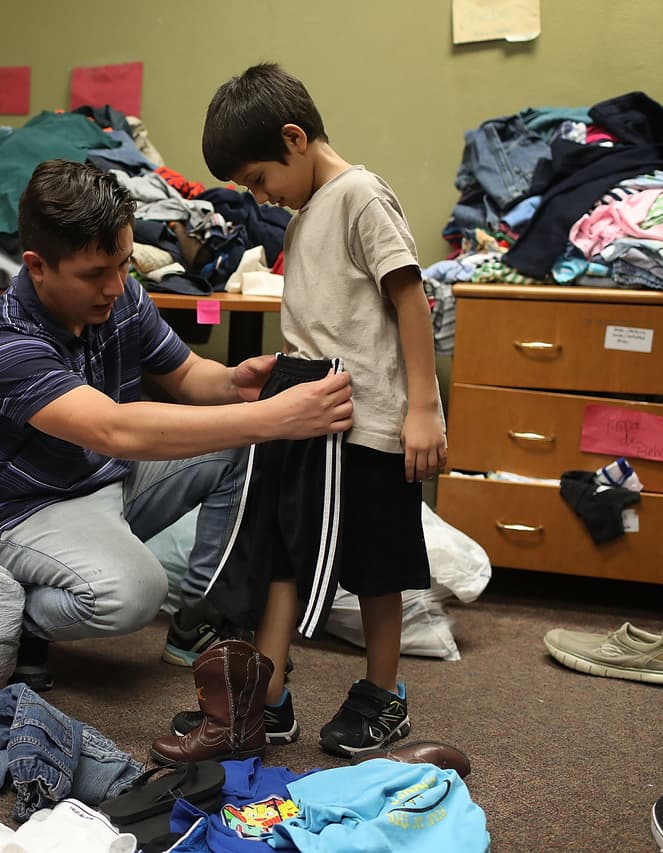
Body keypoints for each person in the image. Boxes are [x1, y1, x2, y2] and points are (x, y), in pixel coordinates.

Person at [0, 158, 355, 690]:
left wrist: (235, 383)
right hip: (18, 513)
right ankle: (12, 616)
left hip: (102, 478)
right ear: (38, 266)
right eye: (95, 274)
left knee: (243, 445)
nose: (116, 286)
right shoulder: (2, 342)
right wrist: (273, 416)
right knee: (134, 593)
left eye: (123, 265)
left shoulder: (121, 297)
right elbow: (114, 429)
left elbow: (187, 375)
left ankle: (199, 618)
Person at [180, 63, 447, 757]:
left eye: (259, 178)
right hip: (308, 413)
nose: (260, 196)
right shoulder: (303, 220)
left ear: (294, 139)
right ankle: (268, 697)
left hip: (371, 423)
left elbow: (410, 299)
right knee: (281, 554)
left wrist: (423, 406)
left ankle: (382, 694)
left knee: (378, 565)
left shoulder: (360, 195)